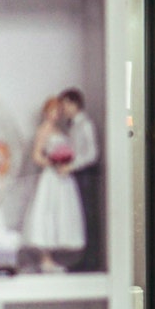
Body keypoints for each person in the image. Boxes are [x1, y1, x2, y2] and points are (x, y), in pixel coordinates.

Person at [23, 96, 85, 273]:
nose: (55, 114)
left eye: (58, 111)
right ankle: (45, 258)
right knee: (47, 212)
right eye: (52, 111)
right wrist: (53, 162)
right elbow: (36, 155)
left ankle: (54, 257)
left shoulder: (60, 130)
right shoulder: (44, 130)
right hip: (51, 176)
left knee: (60, 212)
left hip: (62, 176)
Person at [58, 87, 100, 272]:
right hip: (77, 175)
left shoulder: (85, 125)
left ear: (75, 104)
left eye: (66, 104)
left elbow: (91, 154)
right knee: (79, 217)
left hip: (85, 176)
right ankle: (82, 259)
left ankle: (90, 261)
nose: (63, 108)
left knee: (88, 216)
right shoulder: (72, 125)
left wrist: (72, 166)